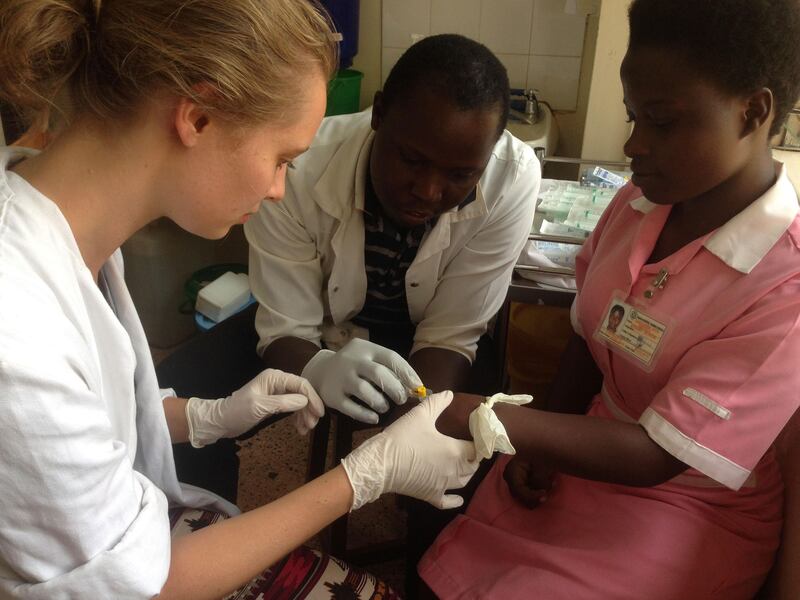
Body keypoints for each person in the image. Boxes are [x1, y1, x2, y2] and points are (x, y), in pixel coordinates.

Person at [0, 1, 480, 598]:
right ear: (198, 117)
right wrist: (363, 478)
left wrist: (206, 416)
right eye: (281, 159)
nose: (280, 189)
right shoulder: (16, 330)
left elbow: (92, 428)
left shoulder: (64, 231)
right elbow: (145, 585)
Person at [419, 0, 800, 598]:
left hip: (687, 498)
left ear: (752, 111)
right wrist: (545, 438)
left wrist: (487, 415)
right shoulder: (638, 203)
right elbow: (586, 337)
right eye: (631, 116)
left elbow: (658, 454)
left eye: (662, 122)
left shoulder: (786, 283)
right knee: (444, 574)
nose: (633, 145)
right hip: (591, 446)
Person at [245, 34, 540, 424]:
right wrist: (319, 369)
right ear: (379, 113)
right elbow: (286, 329)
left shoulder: (511, 180)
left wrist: (413, 423)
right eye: (412, 160)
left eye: (462, 174)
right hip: (327, 334)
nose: (428, 192)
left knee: (462, 434)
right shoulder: (295, 169)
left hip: (429, 340)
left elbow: (450, 336)